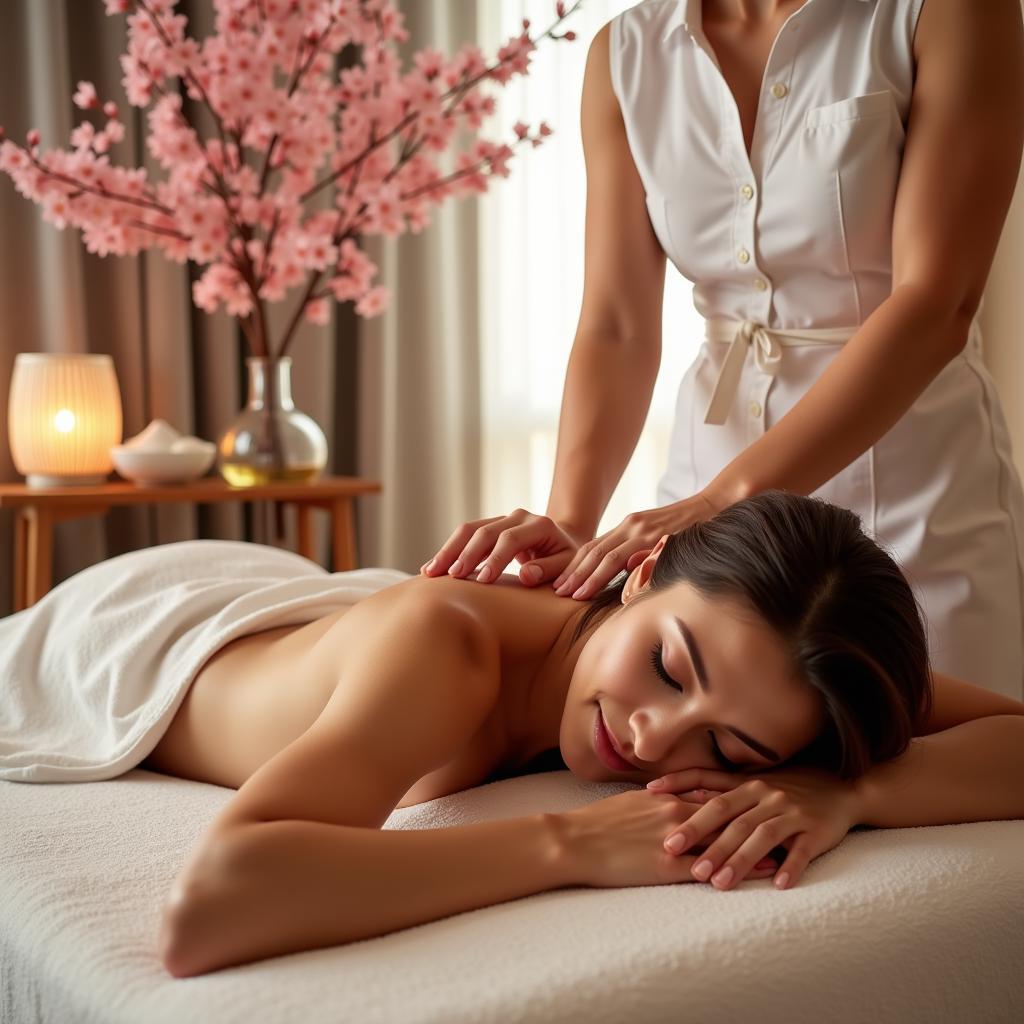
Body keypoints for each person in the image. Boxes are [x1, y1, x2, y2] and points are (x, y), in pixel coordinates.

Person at [5, 491, 1024, 977]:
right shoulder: (443, 650)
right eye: (669, 668)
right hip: (143, 628)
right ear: (640, 566)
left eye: (735, 755)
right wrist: (569, 843)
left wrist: (844, 792)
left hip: (319, 613)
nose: (657, 738)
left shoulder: (772, 666)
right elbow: (210, 912)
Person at [422, 0, 1024, 701]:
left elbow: (936, 304)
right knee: (711, 758)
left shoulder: (946, 12)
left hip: (913, 489)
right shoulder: (625, 55)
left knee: (946, 757)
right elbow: (618, 325)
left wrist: (723, 499)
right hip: (709, 510)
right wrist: (572, 525)